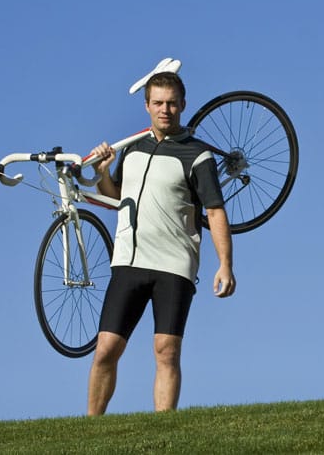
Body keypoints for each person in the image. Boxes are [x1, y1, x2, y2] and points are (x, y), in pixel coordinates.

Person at [86, 71, 236, 416]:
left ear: (183, 105)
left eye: (171, 103)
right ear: (147, 106)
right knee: (106, 348)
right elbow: (115, 196)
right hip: (129, 261)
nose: (165, 110)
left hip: (174, 264)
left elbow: (215, 212)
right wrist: (105, 172)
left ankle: (163, 428)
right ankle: (89, 428)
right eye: (158, 103)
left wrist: (225, 264)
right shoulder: (133, 149)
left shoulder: (198, 156)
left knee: (166, 350)